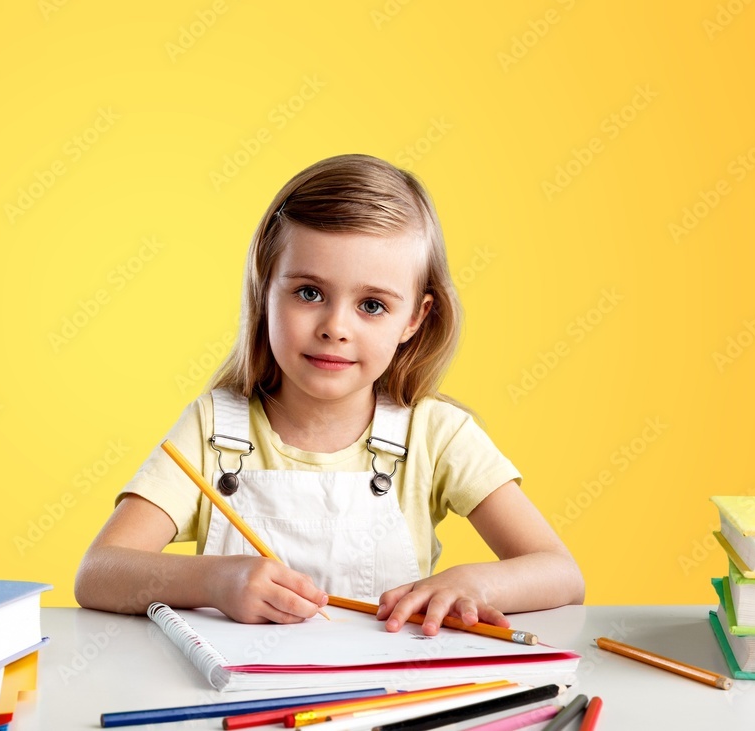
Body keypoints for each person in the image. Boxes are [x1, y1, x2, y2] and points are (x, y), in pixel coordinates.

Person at [75, 154, 584, 635]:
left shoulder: (437, 435)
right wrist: (214, 581)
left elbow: (561, 573)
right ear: (264, 291)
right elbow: (98, 573)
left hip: (388, 699)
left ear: (415, 318)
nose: (335, 327)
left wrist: (474, 583)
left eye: (372, 305)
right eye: (309, 293)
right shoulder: (213, 428)